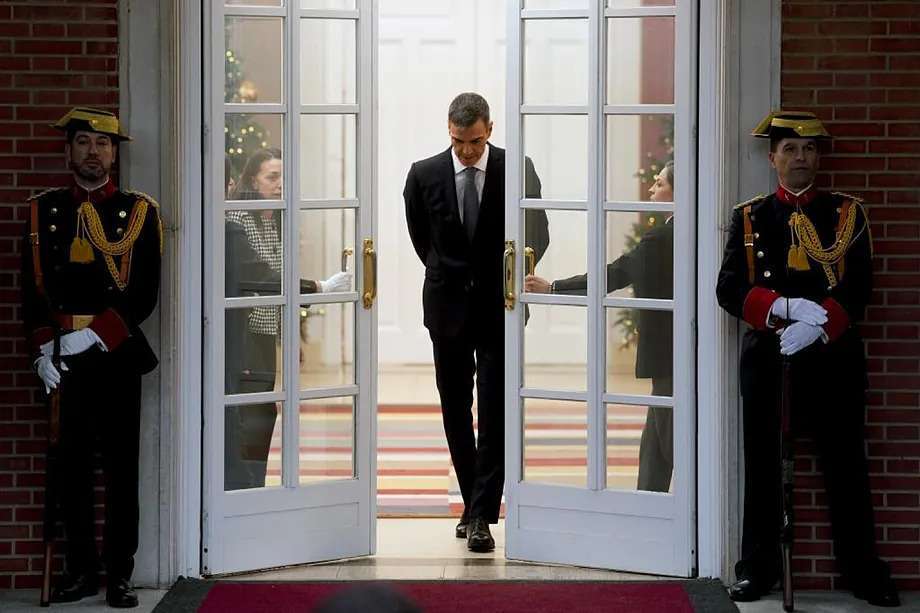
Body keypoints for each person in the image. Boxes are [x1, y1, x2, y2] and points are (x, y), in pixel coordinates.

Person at [716, 111, 900, 607]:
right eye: (791, 149)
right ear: (772, 158)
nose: (801, 157)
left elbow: (860, 284)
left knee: (846, 464)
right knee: (763, 466)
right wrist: (782, 308)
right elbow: (729, 288)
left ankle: (864, 572)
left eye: (810, 149)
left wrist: (818, 324)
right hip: (770, 356)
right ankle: (757, 570)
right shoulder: (750, 217)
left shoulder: (846, 214)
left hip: (832, 357)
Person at [20, 107, 162, 608]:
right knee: (71, 468)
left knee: (121, 471)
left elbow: (143, 292)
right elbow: (30, 288)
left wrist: (95, 336)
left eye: (103, 144)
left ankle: (119, 574)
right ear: (69, 151)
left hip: (114, 356)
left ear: (114, 154)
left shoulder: (139, 212)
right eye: (83, 142)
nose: (93, 152)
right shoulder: (42, 210)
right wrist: (42, 348)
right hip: (62, 358)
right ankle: (80, 571)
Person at [403, 92, 549, 552]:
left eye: (475, 141)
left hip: (499, 307)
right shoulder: (423, 174)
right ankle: (473, 504)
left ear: (490, 130)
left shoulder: (516, 168)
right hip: (446, 308)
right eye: (458, 141)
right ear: (449, 130)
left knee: (495, 409)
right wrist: (449, 273)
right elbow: (421, 238)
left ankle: (482, 515)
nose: (467, 150)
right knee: (454, 408)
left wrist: (506, 277)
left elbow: (538, 233)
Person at [525, 161, 675, 493]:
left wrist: (555, 287)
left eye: (660, 183)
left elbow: (616, 273)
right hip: (672, 351)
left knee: (669, 442)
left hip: (668, 352)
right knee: (654, 445)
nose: (652, 189)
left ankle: (670, 509)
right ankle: (648, 503)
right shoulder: (681, 231)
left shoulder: (662, 236)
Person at [224, 147, 352, 490]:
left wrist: (291, 335)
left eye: (284, 176)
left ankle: (253, 488)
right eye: (272, 176)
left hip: (265, 331)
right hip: (243, 331)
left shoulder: (275, 218)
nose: (280, 184)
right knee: (253, 414)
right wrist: (319, 287)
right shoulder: (239, 218)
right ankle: (242, 490)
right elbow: (261, 276)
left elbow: (279, 282)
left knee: (263, 412)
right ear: (253, 181)